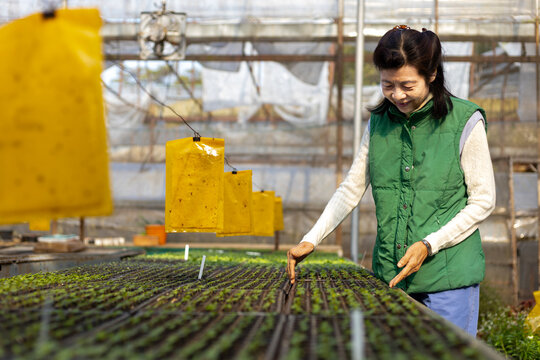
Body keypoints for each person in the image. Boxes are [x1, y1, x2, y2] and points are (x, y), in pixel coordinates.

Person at [286, 25, 496, 336]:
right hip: (392, 274)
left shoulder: (464, 121)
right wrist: (311, 238)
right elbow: (351, 188)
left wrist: (429, 244)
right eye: (388, 85)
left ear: (432, 75)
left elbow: (483, 201)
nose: (397, 95)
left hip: (447, 277)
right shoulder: (379, 122)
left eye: (407, 85)